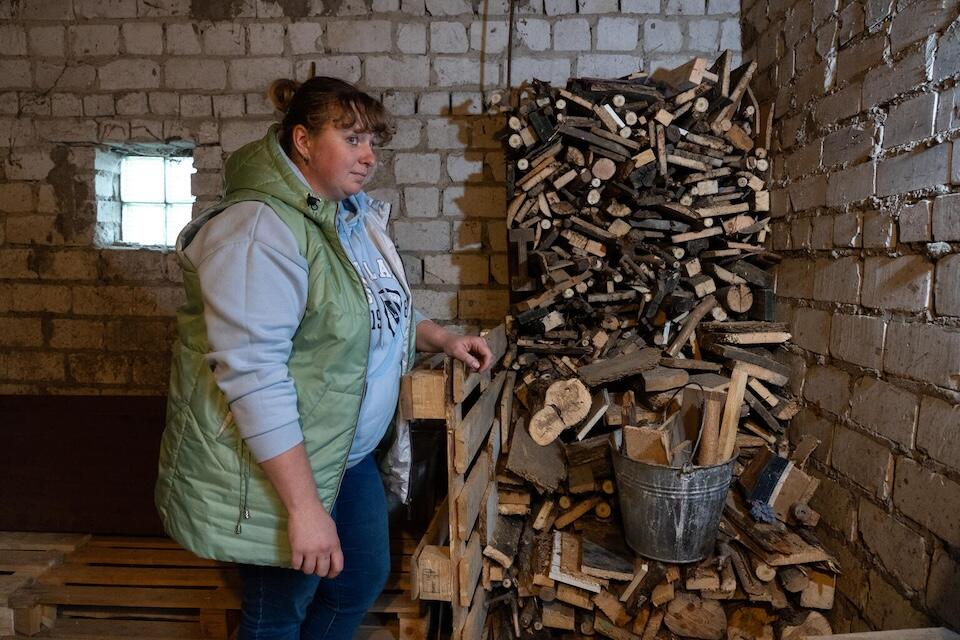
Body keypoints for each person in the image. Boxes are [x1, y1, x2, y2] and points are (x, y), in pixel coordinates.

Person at [155, 76, 493, 640]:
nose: (369, 158)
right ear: (303, 141)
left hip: (343, 452)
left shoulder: (346, 216)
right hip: (281, 462)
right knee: (280, 606)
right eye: (352, 140)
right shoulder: (259, 229)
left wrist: (439, 338)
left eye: (373, 144)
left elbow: (372, 309)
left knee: (359, 579)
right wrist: (304, 510)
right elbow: (254, 377)